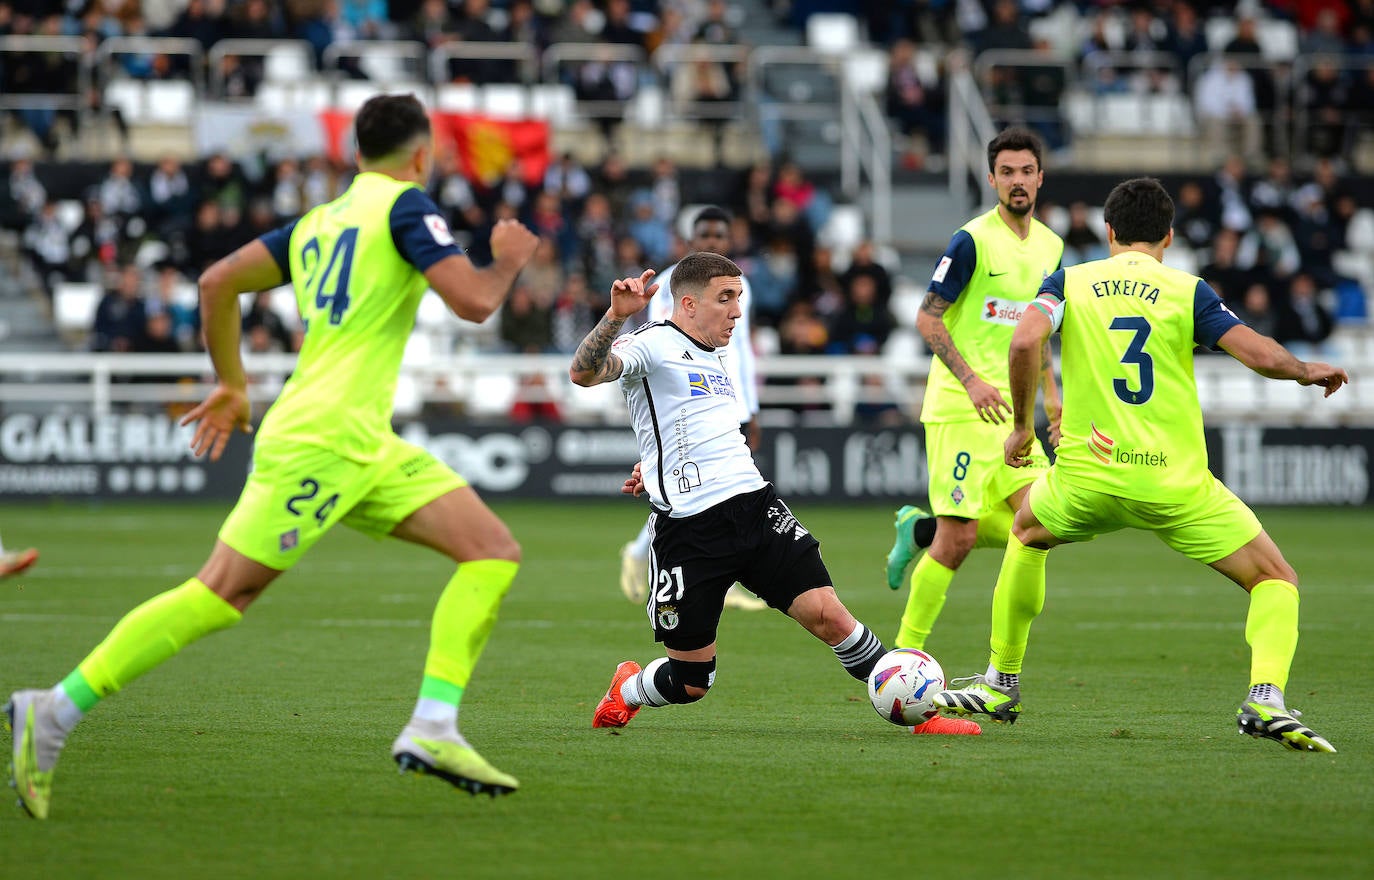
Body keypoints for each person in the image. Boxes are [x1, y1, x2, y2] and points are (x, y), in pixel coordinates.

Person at [6, 94, 542, 820]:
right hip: (324, 440)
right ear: (421, 154)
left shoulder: (318, 223)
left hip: (363, 442)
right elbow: (474, 302)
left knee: (491, 550)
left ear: (357, 151)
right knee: (222, 592)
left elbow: (216, 281)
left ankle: (434, 725)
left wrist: (231, 382)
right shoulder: (408, 208)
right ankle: (54, 709)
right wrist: (506, 261)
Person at [934, 178, 1344, 754]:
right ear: (1169, 237)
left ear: (1108, 232)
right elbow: (1257, 353)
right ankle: (1265, 699)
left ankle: (1001, 684)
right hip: (1174, 484)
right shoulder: (1187, 290)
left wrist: (1024, 428)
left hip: (1087, 477)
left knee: (1025, 532)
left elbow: (1025, 341)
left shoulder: (1071, 282)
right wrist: (1304, 370)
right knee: (1276, 579)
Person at [570, 253, 980, 737]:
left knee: (830, 615)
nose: (737, 312)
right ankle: (629, 688)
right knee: (692, 681)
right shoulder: (652, 342)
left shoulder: (716, 354)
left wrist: (656, 464)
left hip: (755, 507)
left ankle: (919, 714)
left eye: (739, 298)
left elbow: (693, 427)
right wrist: (617, 316)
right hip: (691, 529)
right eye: (725, 299)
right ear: (687, 303)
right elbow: (584, 372)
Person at [884, 127, 1065, 654]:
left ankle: (921, 532)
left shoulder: (1053, 247)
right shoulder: (972, 240)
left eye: (1025, 171)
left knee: (1045, 522)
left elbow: (1042, 331)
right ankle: (901, 658)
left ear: (1039, 178)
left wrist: (1053, 398)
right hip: (959, 411)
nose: (1016, 181)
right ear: (991, 179)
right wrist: (971, 381)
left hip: (1015, 416)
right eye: (1006, 172)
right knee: (959, 539)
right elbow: (927, 319)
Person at [617, 207, 766, 612]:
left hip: (725, 397)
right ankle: (644, 554)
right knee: (686, 489)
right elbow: (661, 349)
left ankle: (716, 573)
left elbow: (743, 353)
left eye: (721, 236)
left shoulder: (738, 286)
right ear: (690, 242)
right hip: (686, 401)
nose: (714, 242)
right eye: (706, 236)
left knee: (719, 489)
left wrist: (750, 407)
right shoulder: (667, 284)